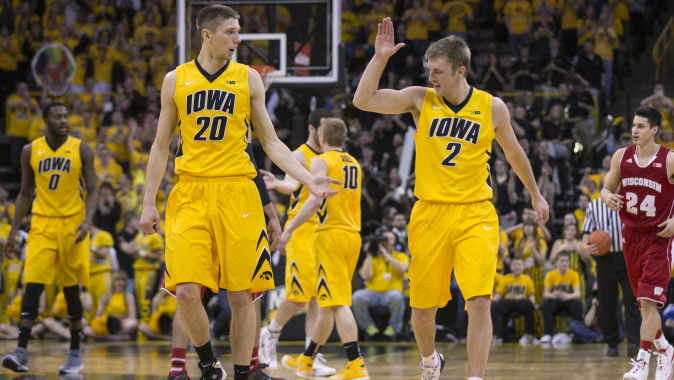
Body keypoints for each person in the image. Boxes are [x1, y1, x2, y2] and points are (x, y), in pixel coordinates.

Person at [138, 5, 338, 380]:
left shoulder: (248, 79)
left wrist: (307, 178)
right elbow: (161, 146)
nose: (238, 39)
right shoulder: (175, 80)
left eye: (238, 31)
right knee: (185, 291)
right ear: (207, 35)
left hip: (238, 192)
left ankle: (246, 371)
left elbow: (272, 144)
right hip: (191, 192)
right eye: (230, 32)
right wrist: (148, 202)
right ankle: (209, 364)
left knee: (241, 295)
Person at [352, 18, 549, 380]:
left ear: (461, 70)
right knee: (423, 310)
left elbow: (516, 154)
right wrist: (379, 58)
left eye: (439, 72)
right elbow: (362, 100)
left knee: (478, 300)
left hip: (476, 213)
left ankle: (475, 377)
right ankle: (430, 360)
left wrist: (535, 194)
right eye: (429, 71)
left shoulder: (492, 107)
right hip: (429, 213)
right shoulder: (419, 99)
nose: (432, 78)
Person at [2, 102, 98, 375]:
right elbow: (23, 194)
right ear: (45, 121)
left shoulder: (82, 149)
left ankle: (75, 353)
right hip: (42, 224)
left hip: (72, 225)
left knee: (70, 291)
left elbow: (92, 190)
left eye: (66, 115)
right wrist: (12, 231)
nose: (63, 120)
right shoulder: (30, 150)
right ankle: (20, 352)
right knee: (32, 285)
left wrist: (87, 220)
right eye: (57, 116)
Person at [279, 118, 369, 380]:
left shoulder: (321, 160)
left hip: (330, 234)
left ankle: (356, 364)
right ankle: (307, 360)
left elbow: (313, 202)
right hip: (353, 235)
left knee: (338, 303)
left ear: (321, 138)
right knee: (328, 303)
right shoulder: (354, 163)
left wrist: (289, 229)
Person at [257, 109, 337, 377]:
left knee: (317, 295)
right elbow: (291, 185)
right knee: (299, 294)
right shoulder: (300, 154)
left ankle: (310, 356)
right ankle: (269, 334)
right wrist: (277, 183)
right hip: (300, 228)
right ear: (313, 129)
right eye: (323, 129)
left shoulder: (329, 157)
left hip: (322, 228)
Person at [601, 106, 674, 380]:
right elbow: (607, 188)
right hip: (630, 237)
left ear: (654, 130)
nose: (634, 130)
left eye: (641, 126)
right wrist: (607, 196)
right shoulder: (621, 157)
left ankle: (642, 364)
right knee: (645, 307)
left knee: (647, 303)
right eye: (633, 125)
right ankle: (666, 350)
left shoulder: (669, 160)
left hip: (659, 238)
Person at [581, 196, 640, 357]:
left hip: (627, 256)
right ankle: (612, 342)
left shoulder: (629, 200)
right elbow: (586, 234)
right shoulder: (594, 205)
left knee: (631, 301)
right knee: (606, 303)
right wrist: (585, 245)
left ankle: (634, 341)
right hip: (604, 259)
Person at [352, 229, 410, 339]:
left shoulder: (400, 255)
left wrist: (386, 255)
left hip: (391, 293)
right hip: (372, 293)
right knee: (357, 297)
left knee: (396, 297)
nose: (385, 243)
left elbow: (403, 268)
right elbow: (365, 276)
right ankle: (368, 326)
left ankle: (394, 328)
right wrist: (369, 255)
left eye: (388, 240)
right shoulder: (373, 258)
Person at [491, 257, 538, 345]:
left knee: (529, 305)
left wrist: (534, 304)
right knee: (494, 306)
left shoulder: (527, 280)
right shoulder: (505, 278)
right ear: (511, 267)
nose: (517, 267)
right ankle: (496, 335)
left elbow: (531, 295)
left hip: (521, 303)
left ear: (523, 267)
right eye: (515, 264)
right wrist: (492, 301)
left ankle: (529, 335)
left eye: (519, 264)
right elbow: (499, 295)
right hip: (508, 302)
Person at [539, 251, 582, 344]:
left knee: (577, 302)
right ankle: (548, 334)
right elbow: (545, 294)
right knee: (546, 302)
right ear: (557, 262)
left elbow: (578, 293)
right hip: (555, 301)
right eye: (562, 261)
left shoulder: (574, 274)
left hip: (567, 301)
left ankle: (576, 333)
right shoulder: (550, 274)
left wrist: (568, 296)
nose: (564, 263)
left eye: (566, 261)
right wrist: (553, 295)